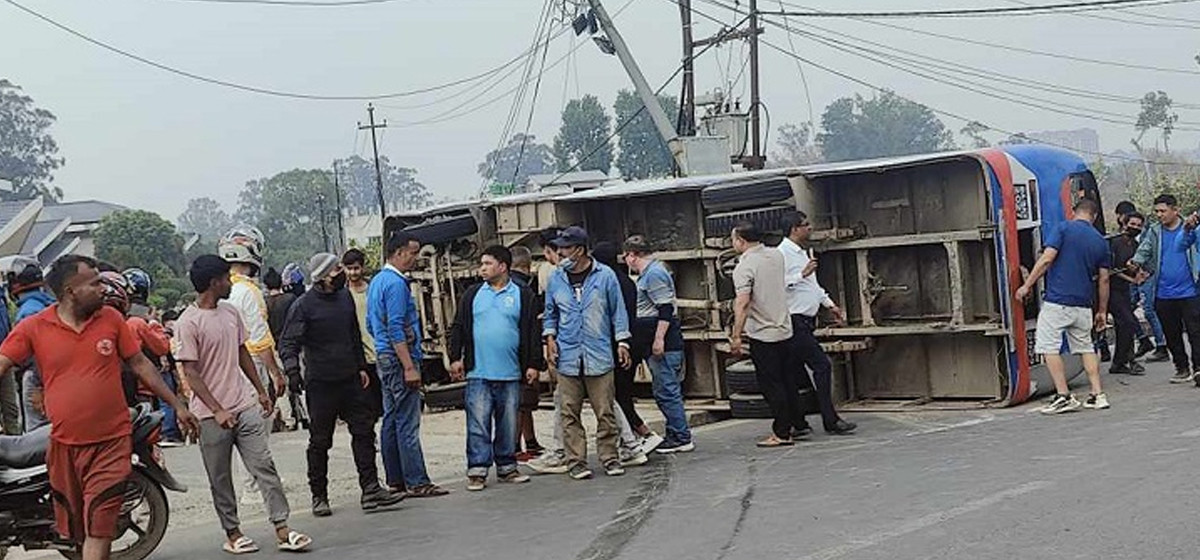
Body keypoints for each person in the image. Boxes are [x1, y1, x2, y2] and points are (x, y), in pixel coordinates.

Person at [0, 254, 199, 560]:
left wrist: (178, 404)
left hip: (111, 442)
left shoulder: (112, 320)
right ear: (70, 291)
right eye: (94, 284)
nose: (103, 289)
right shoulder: (34, 327)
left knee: (100, 527)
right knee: (78, 533)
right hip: (64, 446)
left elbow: (140, 364)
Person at [176, 255, 312, 555]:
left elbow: (242, 353)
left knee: (263, 466)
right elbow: (191, 373)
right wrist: (217, 409)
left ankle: (282, 527)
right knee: (220, 477)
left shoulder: (230, 313)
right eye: (226, 277)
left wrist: (260, 390)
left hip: (243, 404)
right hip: (210, 415)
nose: (230, 282)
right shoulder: (188, 322)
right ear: (214, 283)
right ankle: (233, 532)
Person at [278, 253, 403, 517]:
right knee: (320, 441)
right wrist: (292, 373)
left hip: (351, 379)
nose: (342, 272)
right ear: (323, 276)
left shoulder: (344, 297)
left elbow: (353, 334)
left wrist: (360, 367)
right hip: (321, 383)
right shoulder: (304, 305)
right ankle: (319, 495)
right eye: (336, 269)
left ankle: (370, 489)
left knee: (364, 432)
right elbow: (288, 343)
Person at [543, 226, 632, 479]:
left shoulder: (605, 276)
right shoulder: (556, 278)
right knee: (568, 411)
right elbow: (550, 312)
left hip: (599, 353)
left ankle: (610, 457)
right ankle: (576, 462)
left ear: (579, 250)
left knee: (604, 410)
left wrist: (622, 342)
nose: (560, 253)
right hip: (567, 355)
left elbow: (618, 312)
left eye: (566, 248)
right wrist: (549, 338)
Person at [448, 245, 540, 491]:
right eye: (482, 264)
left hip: (510, 372)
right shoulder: (472, 294)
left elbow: (532, 331)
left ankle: (507, 467)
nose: (482, 269)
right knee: (478, 423)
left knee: (508, 423)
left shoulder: (522, 295)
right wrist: (455, 357)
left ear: (503, 266)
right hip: (478, 371)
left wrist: (533, 364)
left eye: (487, 264)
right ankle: (477, 470)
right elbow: (458, 326)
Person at [367, 232, 448, 498]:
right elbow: (396, 327)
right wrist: (409, 366)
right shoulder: (396, 285)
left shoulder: (377, 281)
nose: (415, 259)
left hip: (384, 355)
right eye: (413, 253)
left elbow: (372, 324)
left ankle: (396, 478)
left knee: (391, 417)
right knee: (407, 421)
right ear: (400, 253)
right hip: (399, 357)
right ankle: (417, 480)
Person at [1016, 198, 1111, 413]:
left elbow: (1047, 259)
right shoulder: (1100, 241)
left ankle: (1063, 395)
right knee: (1086, 347)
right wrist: (1102, 311)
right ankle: (1097, 394)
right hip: (1084, 305)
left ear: (1074, 211)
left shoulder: (1064, 229)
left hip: (1058, 301)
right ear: (1094, 216)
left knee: (1048, 346)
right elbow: (1104, 280)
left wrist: (1027, 285)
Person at [777, 213, 858, 436]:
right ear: (794, 229)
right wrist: (801, 275)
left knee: (793, 372)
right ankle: (829, 418)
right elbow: (778, 285)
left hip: (805, 318)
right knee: (821, 365)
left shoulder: (802, 253)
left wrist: (829, 304)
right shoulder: (782, 254)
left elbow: (812, 285)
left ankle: (797, 422)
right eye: (805, 225)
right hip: (794, 319)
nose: (809, 228)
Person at [729, 222, 807, 447]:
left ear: (741, 241)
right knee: (788, 380)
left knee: (771, 384)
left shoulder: (744, 267)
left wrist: (736, 335)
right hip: (785, 327)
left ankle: (781, 433)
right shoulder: (776, 256)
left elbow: (742, 303)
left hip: (764, 333)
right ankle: (798, 423)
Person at [620, 235, 698, 453]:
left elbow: (665, 309)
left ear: (632, 255)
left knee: (667, 390)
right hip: (653, 339)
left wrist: (658, 339)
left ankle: (681, 436)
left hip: (663, 341)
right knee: (663, 389)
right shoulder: (651, 273)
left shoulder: (653, 274)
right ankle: (675, 432)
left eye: (626, 256)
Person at [218, 226, 293, 432]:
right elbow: (260, 339)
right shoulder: (249, 291)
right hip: (251, 365)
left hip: (222, 367)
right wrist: (275, 373)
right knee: (255, 432)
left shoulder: (217, 289)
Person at [1132, 194, 1200, 384]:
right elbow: (1144, 250)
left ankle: (1198, 368)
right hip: (1163, 291)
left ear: (1175, 210)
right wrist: (1136, 262)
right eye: (1157, 212)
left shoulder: (1191, 228)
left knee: (1196, 332)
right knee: (1171, 333)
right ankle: (1182, 367)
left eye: (1163, 211)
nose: (1160, 215)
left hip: (1190, 291)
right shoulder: (1154, 232)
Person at [508, 246, 544, 461]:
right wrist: (535, 360)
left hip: (512, 351)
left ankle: (530, 441)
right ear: (527, 265)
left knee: (525, 400)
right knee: (522, 400)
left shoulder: (505, 287)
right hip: (522, 354)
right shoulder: (524, 290)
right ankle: (514, 446)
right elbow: (531, 328)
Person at [11, 259, 56, 432]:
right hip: (53, 376)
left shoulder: (28, 312)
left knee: (36, 430)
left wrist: (38, 384)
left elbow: (40, 351)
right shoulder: (50, 305)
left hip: (36, 376)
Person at [343, 248, 383, 421]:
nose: (353, 272)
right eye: (349, 268)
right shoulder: (342, 295)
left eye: (356, 268)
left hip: (380, 352)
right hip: (359, 358)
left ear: (363, 268)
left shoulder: (373, 290)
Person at [1109, 212, 1148, 375]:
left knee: (1124, 325)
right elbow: (1111, 269)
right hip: (1111, 289)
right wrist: (1131, 279)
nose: (1135, 228)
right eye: (1133, 224)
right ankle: (1122, 360)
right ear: (1124, 223)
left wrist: (1140, 274)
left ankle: (1120, 361)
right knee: (1128, 322)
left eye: (1139, 226)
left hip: (1124, 290)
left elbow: (1137, 265)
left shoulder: (1134, 244)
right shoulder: (1114, 242)